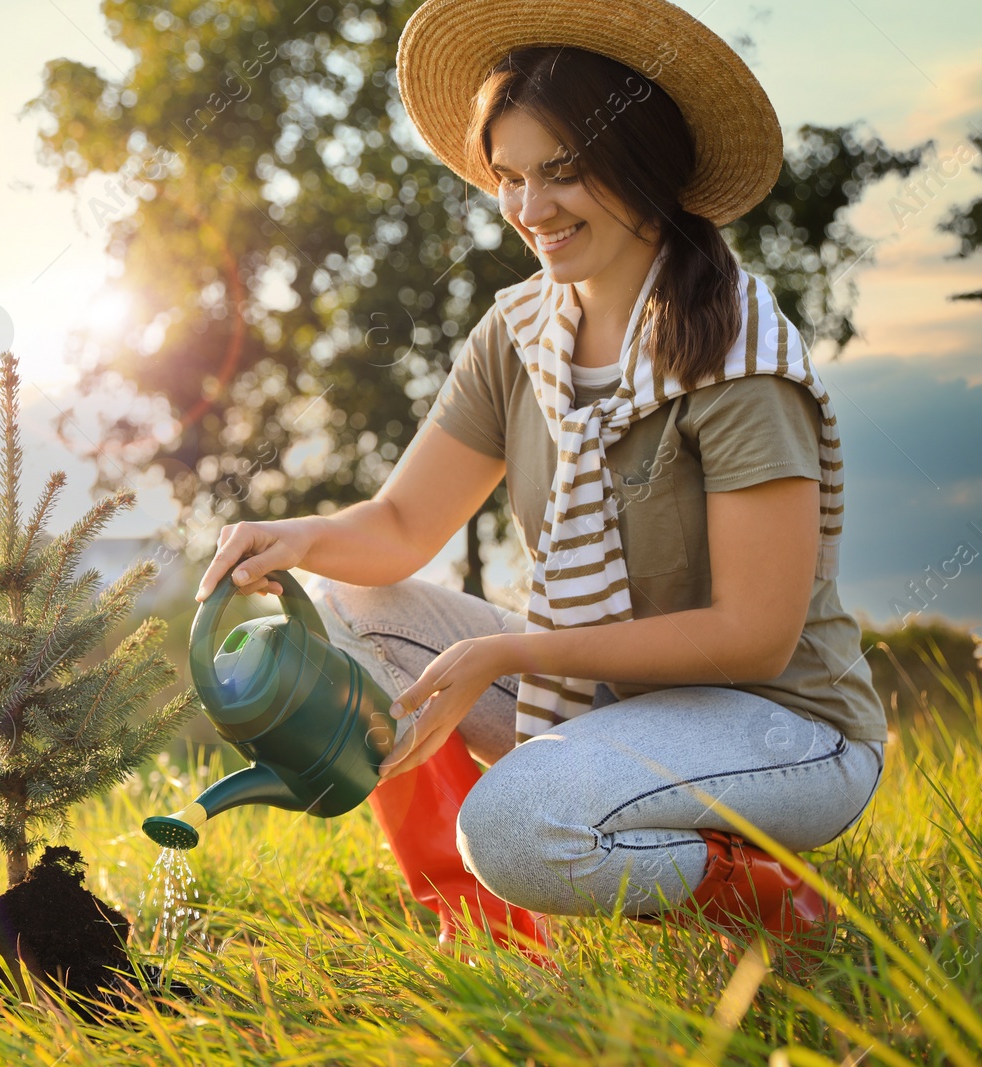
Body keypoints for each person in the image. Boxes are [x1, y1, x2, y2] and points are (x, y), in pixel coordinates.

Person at [193, 0, 887, 973]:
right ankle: (492, 937)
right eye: (510, 176)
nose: (531, 209)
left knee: (516, 827)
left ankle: (770, 902)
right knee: (355, 603)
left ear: (641, 162)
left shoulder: (736, 355)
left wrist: (510, 647)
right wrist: (290, 540)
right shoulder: (520, 335)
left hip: (782, 723)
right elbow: (398, 526)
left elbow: (754, 632)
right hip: (610, 693)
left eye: (562, 170)